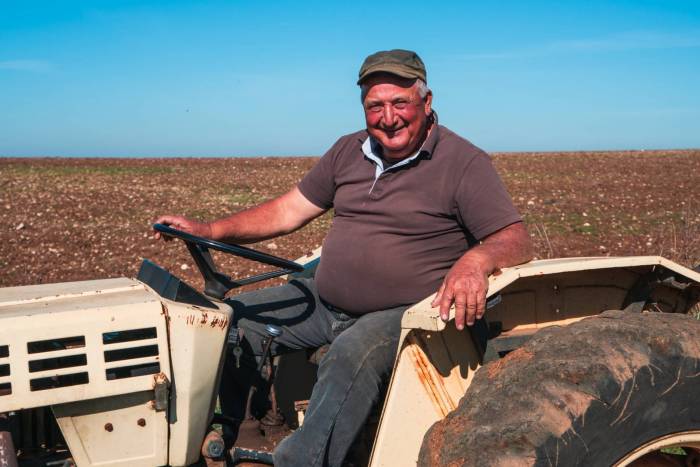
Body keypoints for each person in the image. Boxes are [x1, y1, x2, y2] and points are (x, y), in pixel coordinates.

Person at [155, 49, 533, 467]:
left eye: (400, 102)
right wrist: (208, 230)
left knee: (352, 353)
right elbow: (287, 211)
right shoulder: (348, 150)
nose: (388, 117)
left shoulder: (463, 162)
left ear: (426, 103)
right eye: (375, 106)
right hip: (324, 302)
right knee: (229, 318)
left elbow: (513, 237)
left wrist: (473, 262)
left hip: (407, 314)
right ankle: (229, 433)